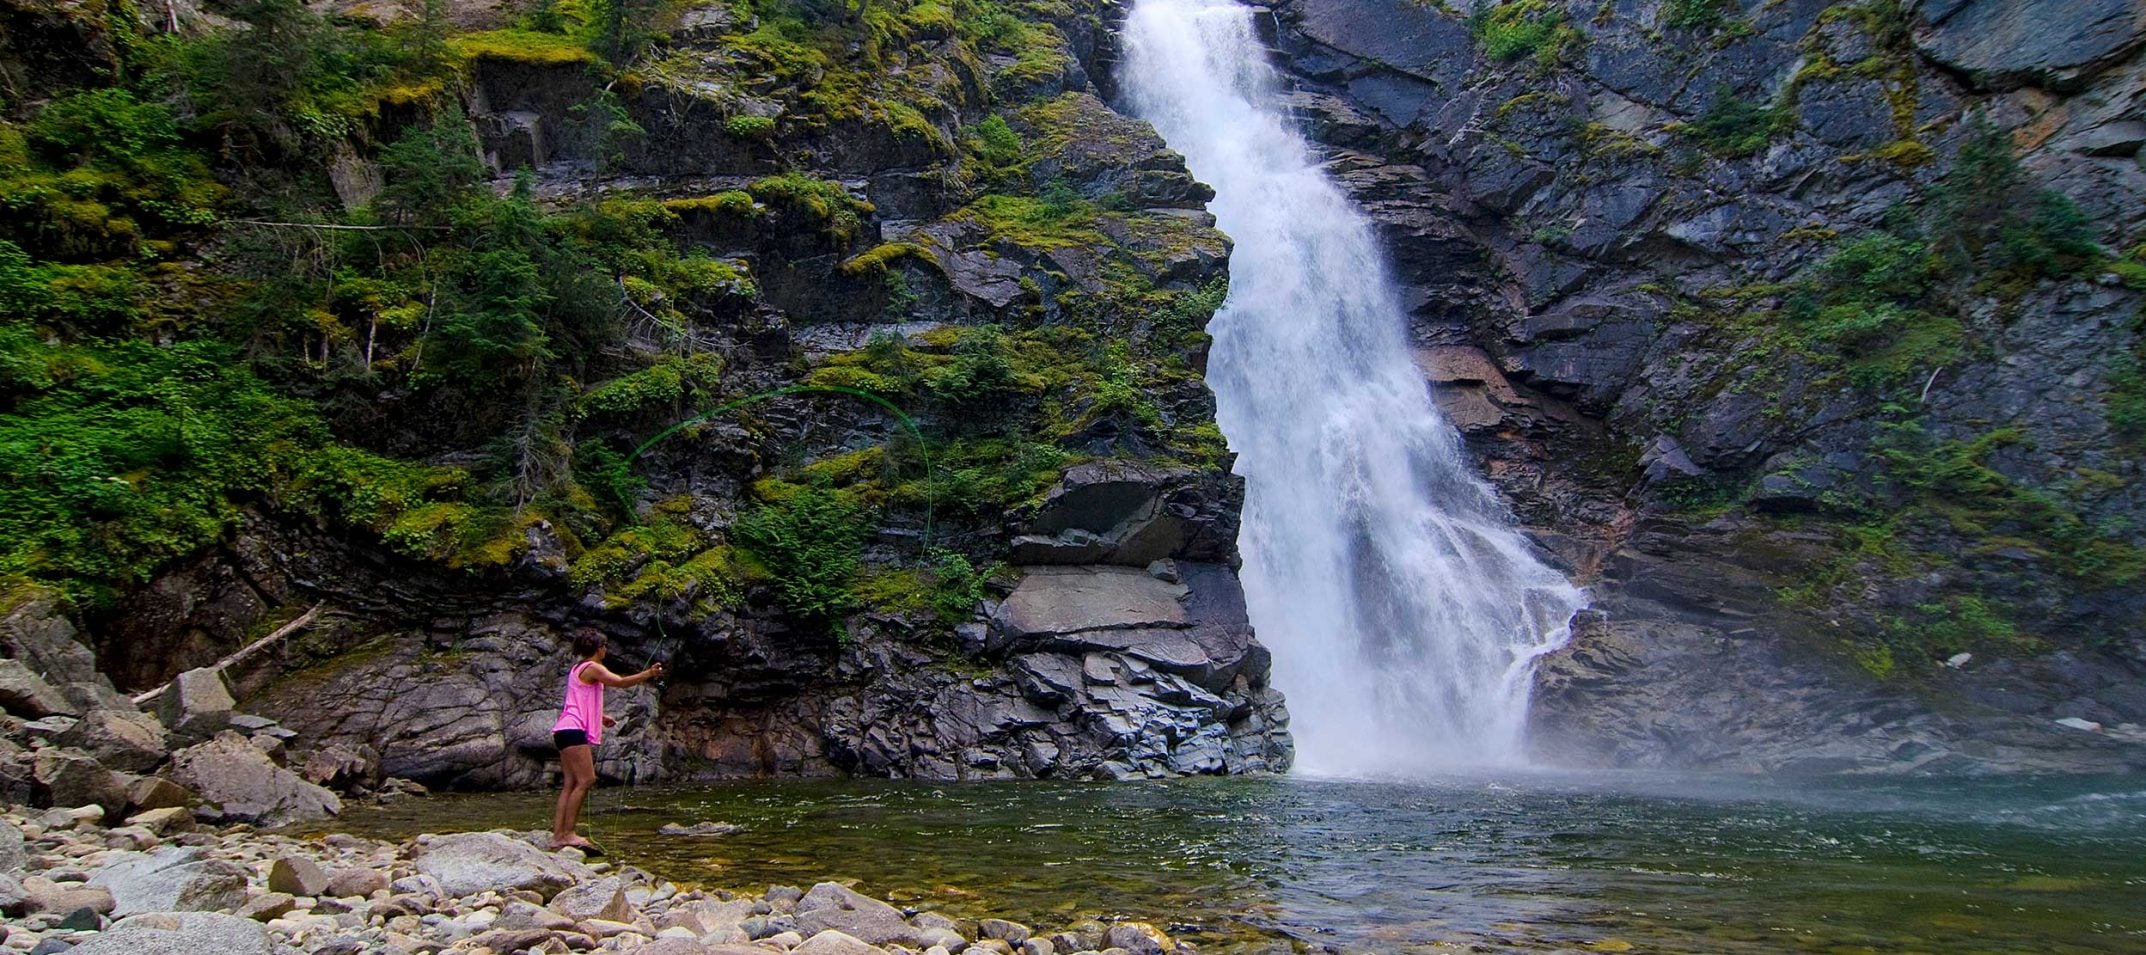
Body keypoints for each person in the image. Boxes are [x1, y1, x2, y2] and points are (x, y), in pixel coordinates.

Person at [549, 628, 663, 852]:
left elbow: (577, 700)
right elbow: (619, 682)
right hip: (573, 730)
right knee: (586, 780)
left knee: (570, 784)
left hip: (564, 729)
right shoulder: (593, 667)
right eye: (604, 646)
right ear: (597, 648)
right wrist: (648, 674)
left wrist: (600, 717)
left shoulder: (577, 669)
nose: (606, 650)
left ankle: (557, 836)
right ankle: (568, 834)